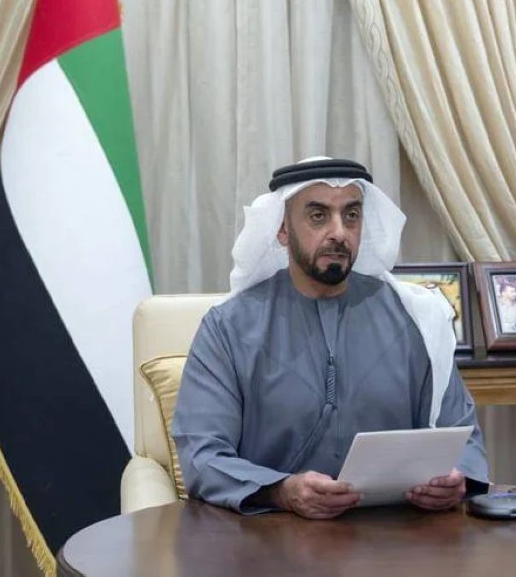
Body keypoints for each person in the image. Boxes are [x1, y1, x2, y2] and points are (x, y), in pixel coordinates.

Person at [172, 157, 490, 519]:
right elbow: (202, 456)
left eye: (351, 215)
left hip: (393, 531)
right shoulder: (228, 327)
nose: (339, 232)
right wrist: (281, 491)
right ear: (282, 230)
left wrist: (455, 479)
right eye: (318, 216)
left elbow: (463, 437)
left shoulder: (416, 318)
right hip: (271, 533)